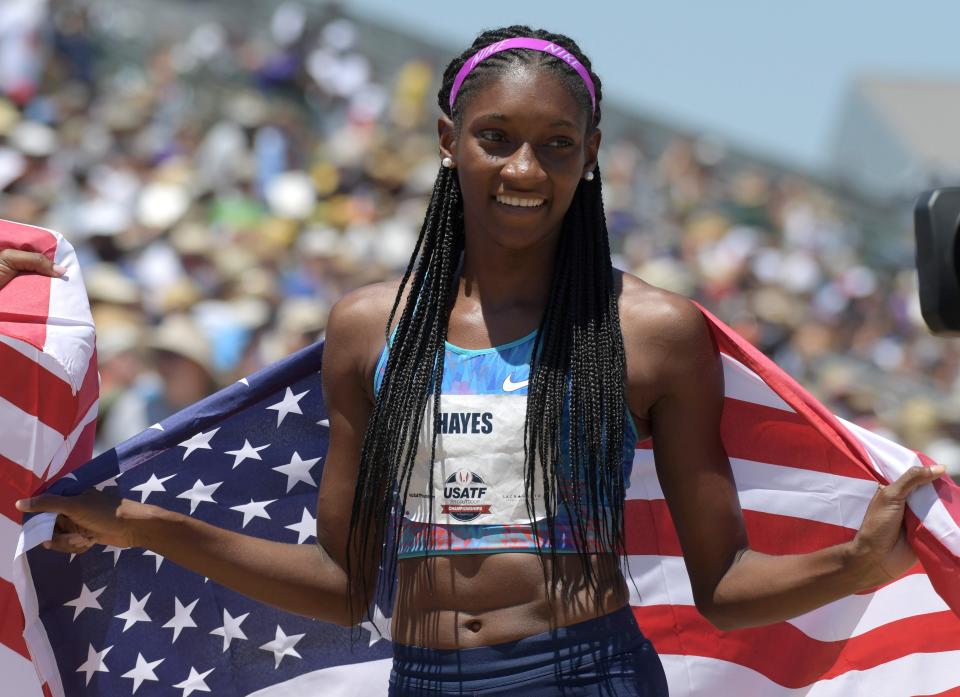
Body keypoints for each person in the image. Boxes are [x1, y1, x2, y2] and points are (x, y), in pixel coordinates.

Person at [12, 27, 944, 696]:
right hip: (421, 677)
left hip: (586, 674)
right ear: (449, 140)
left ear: (591, 158)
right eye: (497, 137)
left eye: (556, 145)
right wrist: (143, 523)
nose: (525, 170)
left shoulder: (652, 332)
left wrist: (859, 564)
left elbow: (726, 587)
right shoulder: (368, 328)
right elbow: (343, 586)